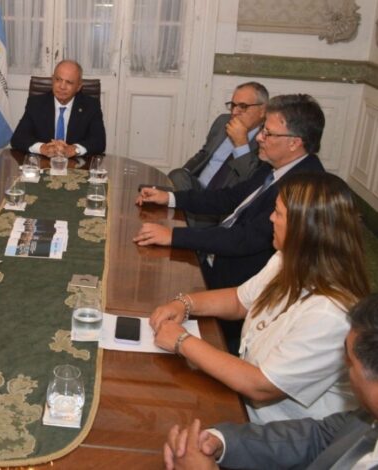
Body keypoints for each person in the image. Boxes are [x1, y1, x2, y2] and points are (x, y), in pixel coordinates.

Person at [150, 172, 369, 425]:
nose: (271, 218)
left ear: (303, 228)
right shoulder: (287, 258)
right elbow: (239, 300)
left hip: (276, 431)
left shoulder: (330, 314)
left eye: (278, 213)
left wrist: (182, 341)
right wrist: (185, 303)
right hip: (241, 399)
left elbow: (261, 386)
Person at [135, 94, 326, 354]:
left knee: (148, 300)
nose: (259, 138)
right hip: (218, 261)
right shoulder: (277, 165)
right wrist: (170, 198)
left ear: (294, 143)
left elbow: (244, 239)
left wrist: (174, 236)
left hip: (238, 284)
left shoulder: (303, 188)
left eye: (268, 133)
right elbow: (228, 198)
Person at [162, 294, 378, 470]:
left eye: (350, 362)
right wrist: (220, 441)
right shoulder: (365, 417)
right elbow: (317, 437)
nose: (345, 366)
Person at [167, 82, 268, 227]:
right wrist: (187, 171)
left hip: (225, 201)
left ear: (263, 110)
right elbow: (204, 153)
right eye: (233, 105)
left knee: (180, 208)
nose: (235, 112)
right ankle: (195, 224)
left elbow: (251, 180)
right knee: (178, 175)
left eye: (243, 106)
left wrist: (241, 144)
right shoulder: (223, 121)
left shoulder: (266, 138)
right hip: (199, 188)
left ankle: (193, 225)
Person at [10, 59, 106, 158]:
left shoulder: (91, 106)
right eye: (58, 80)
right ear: (52, 80)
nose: (62, 86)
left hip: (77, 164)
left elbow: (99, 142)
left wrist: (75, 149)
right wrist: (42, 148)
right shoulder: (36, 104)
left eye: (69, 82)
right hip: (43, 163)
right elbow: (18, 138)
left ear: (78, 87)